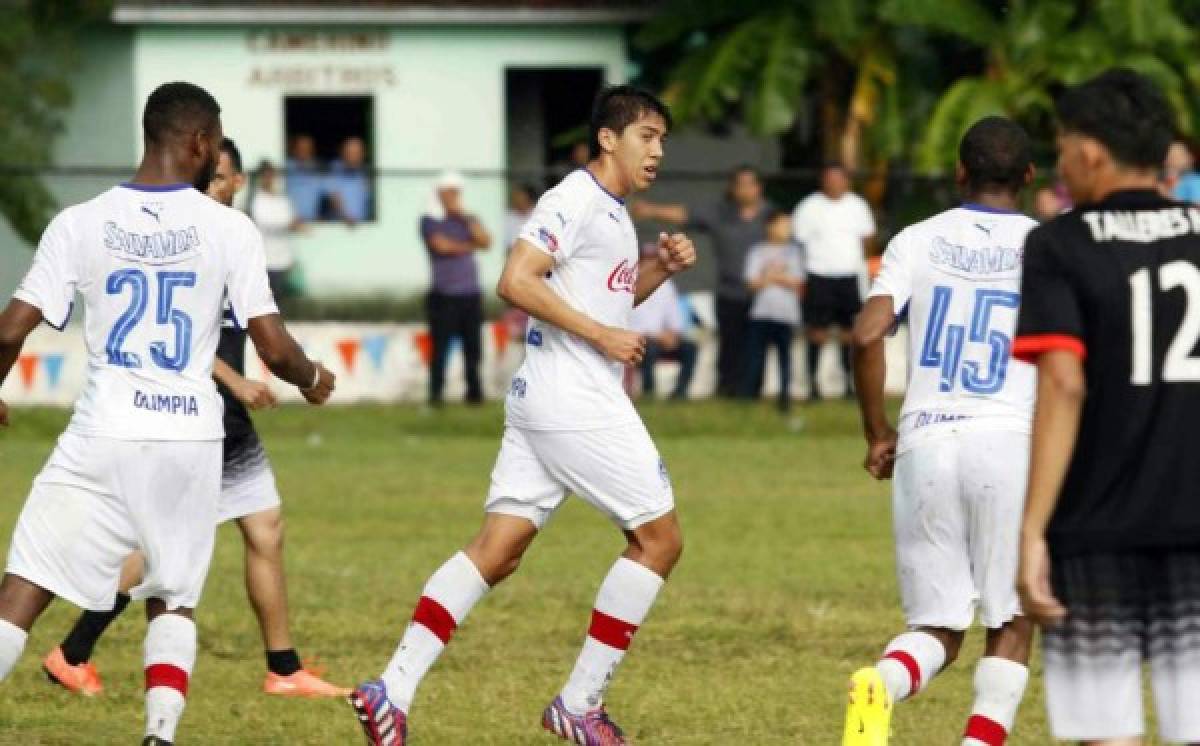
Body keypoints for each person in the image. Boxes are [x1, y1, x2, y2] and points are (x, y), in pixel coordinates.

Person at [347, 85, 695, 746]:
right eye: (647, 136)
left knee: (496, 551)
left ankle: (389, 690)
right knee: (660, 540)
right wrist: (598, 336)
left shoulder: (616, 213)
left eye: (662, 140)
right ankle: (579, 705)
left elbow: (607, 307)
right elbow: (516, 279)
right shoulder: (574, 198)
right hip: (575, 395)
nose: (658, 150)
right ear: (608, 139)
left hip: (549, 393)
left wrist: (657, 270)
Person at [0, 82, 334, 746]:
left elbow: (11, 330)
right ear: (202, 142)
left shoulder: (79, 221)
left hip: (102, 431)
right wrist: (313, 377)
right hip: (189, 436)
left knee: (22, 592)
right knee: (172, 594)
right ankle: (159, 736)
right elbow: (272, 343)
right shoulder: (230, 229)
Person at [1015, 69, 1200, 746]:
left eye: (1063, 148)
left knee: (1107, 733)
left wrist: (1033, 529)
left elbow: (1063, 384)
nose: (1061, 165)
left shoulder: (1061, 242)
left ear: (1090, 153)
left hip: (1096, 525)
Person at [844, 116, 1037, 746]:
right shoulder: (1049, 247)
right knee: (1011, 617)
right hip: (1010, 441)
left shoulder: (915, 239)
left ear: (960, 172)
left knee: (937, 625)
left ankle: (884, 681)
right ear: (1031, 177)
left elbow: (868, 333)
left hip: (927, 440)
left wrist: (878, 432)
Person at [632, 165, 774, 397]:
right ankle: (728, 390)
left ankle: (752, 392)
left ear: (759, 188)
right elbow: (686, 214)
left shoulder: (770, 216)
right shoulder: (721, 213)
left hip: (763, 293)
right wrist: (650, 210)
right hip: (730, 291)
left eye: (750, 184)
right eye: (739, 184)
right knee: (730, 344)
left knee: (758, 345)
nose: (744, 190)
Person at [792, 163, 876, 399]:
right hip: (819, 274)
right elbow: (799, 242)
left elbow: (867, 239)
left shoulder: (858, 206)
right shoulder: (809, 207)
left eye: (839, 179)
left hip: (849, 276)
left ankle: (850, 385)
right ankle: (812, 385)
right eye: (830, 178)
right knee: (817, 331)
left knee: (850, 332)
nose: (834, 183)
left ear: (846, 181)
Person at [419, 170, 491, 406]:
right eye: (449, 192)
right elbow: (441, 247)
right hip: (444, 295)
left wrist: (463, 217)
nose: (453, 197)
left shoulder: (468, 219)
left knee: (473, 349)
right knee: (440, 349)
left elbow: (486, 241)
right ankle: (436, 396)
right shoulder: (429, 220)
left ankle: (474, 394)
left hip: (470, 294)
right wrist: (469, 245)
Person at [740, 209, 805, 412]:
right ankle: (750, 396)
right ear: (770, 226)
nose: (787, 229)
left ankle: (784, 397)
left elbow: (797, 281)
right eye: (783, 224)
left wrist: (770, 276)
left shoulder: (794, 252)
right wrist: (778, 277)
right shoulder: (757, 252)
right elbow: (751, 283)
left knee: (785, 358)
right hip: (761, 313)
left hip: (786, 315)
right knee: (755, 357)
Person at [630, 243, 697, 400]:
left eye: (654, 260)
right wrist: (657, 336)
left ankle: (680, 393)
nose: (650, 263)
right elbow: (627, 323)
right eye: (646, 260)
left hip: (661, 339)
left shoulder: (667, 287)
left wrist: (672, 335)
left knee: (690, 348)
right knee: (649, 348)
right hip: (638, 339)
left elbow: (675, 320)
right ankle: (648, 391)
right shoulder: (628, 285)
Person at [249, 160, 301, 300]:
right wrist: (288, 224)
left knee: (282, 301)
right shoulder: (256, 200)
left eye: (272, 175)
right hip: (266, 260)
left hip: (283, 258)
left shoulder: (282, 199)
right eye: (266, 176)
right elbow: (263, 222)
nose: (270, 179)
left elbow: (292, 220)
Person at [328, 136, 371, 225]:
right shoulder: (334, 169)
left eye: (356, 153)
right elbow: (333, 197)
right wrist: (346, 217)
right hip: (339, 227)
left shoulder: (367, 173)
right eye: (349, 153)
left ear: (363, 154)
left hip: (364, 228)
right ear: (343, 153)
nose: (352, 156)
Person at [285, 134, 323, 222]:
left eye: (307, 149)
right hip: (289, 223)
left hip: (312, 223)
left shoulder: (318, 171)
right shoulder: (286, 169)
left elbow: (332, 194)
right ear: (294, 150)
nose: (303, 152)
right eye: (300, 149)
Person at [504, 182, 537, 252]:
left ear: (528, 198)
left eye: (520, 196)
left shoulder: (537, 215)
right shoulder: (508, 217)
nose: (516, 199)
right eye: (515, 196)